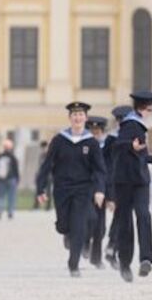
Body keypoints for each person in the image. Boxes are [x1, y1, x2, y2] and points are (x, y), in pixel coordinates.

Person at [35, 101, 108, 277]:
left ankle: (73, 264)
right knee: (63, 225)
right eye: (74, 115)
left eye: (81, 115)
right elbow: (47, 165)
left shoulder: (91, 142)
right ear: (70, 118)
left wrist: (99, 190)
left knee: (79, 225)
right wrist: (40, 189)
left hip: (83, 189)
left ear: (85, 118)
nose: (77, 117)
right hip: (62, 189)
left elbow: (99, 169)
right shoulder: (59, 140)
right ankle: (66, 233)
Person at [112, 90, 152, 283]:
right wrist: (130, 147)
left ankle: (141, 259)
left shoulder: (136, 125)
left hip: (138, 179)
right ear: (146, 108)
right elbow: (120, 146)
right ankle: (132, 261)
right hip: (125, 181)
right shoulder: (130, 124)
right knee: (133, 219)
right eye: (150, 108)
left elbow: (137, 153)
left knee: (138, 216)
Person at [84, 116, 115, 269]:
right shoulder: (83, 147)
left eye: (97, 132)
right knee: (88, 221)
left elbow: (109, 174)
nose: (95, 135)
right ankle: (83, 243)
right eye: (92, 132)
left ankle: (96, 259)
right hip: (83, 190)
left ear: (102, 133)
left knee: (100, 228)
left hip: (100, 191)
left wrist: (110, 197)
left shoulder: (108, 149)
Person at [103, 105, 129, 269]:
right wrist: (110, 195)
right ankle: (113, 247)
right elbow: (107, 168)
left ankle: (113, 247)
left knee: (122, 219)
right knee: (121, 218)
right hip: (116, 184)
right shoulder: (112, 140)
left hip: (131, 184)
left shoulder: (137, 136)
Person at [0, 138, 20, 219]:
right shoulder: (13, 157)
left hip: (0, 179)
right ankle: (10, 212)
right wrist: (17, 179)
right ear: (11, 147)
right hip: (11, 179)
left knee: (0, 196)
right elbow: (16, 169)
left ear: (3, 147)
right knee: (11, 196)